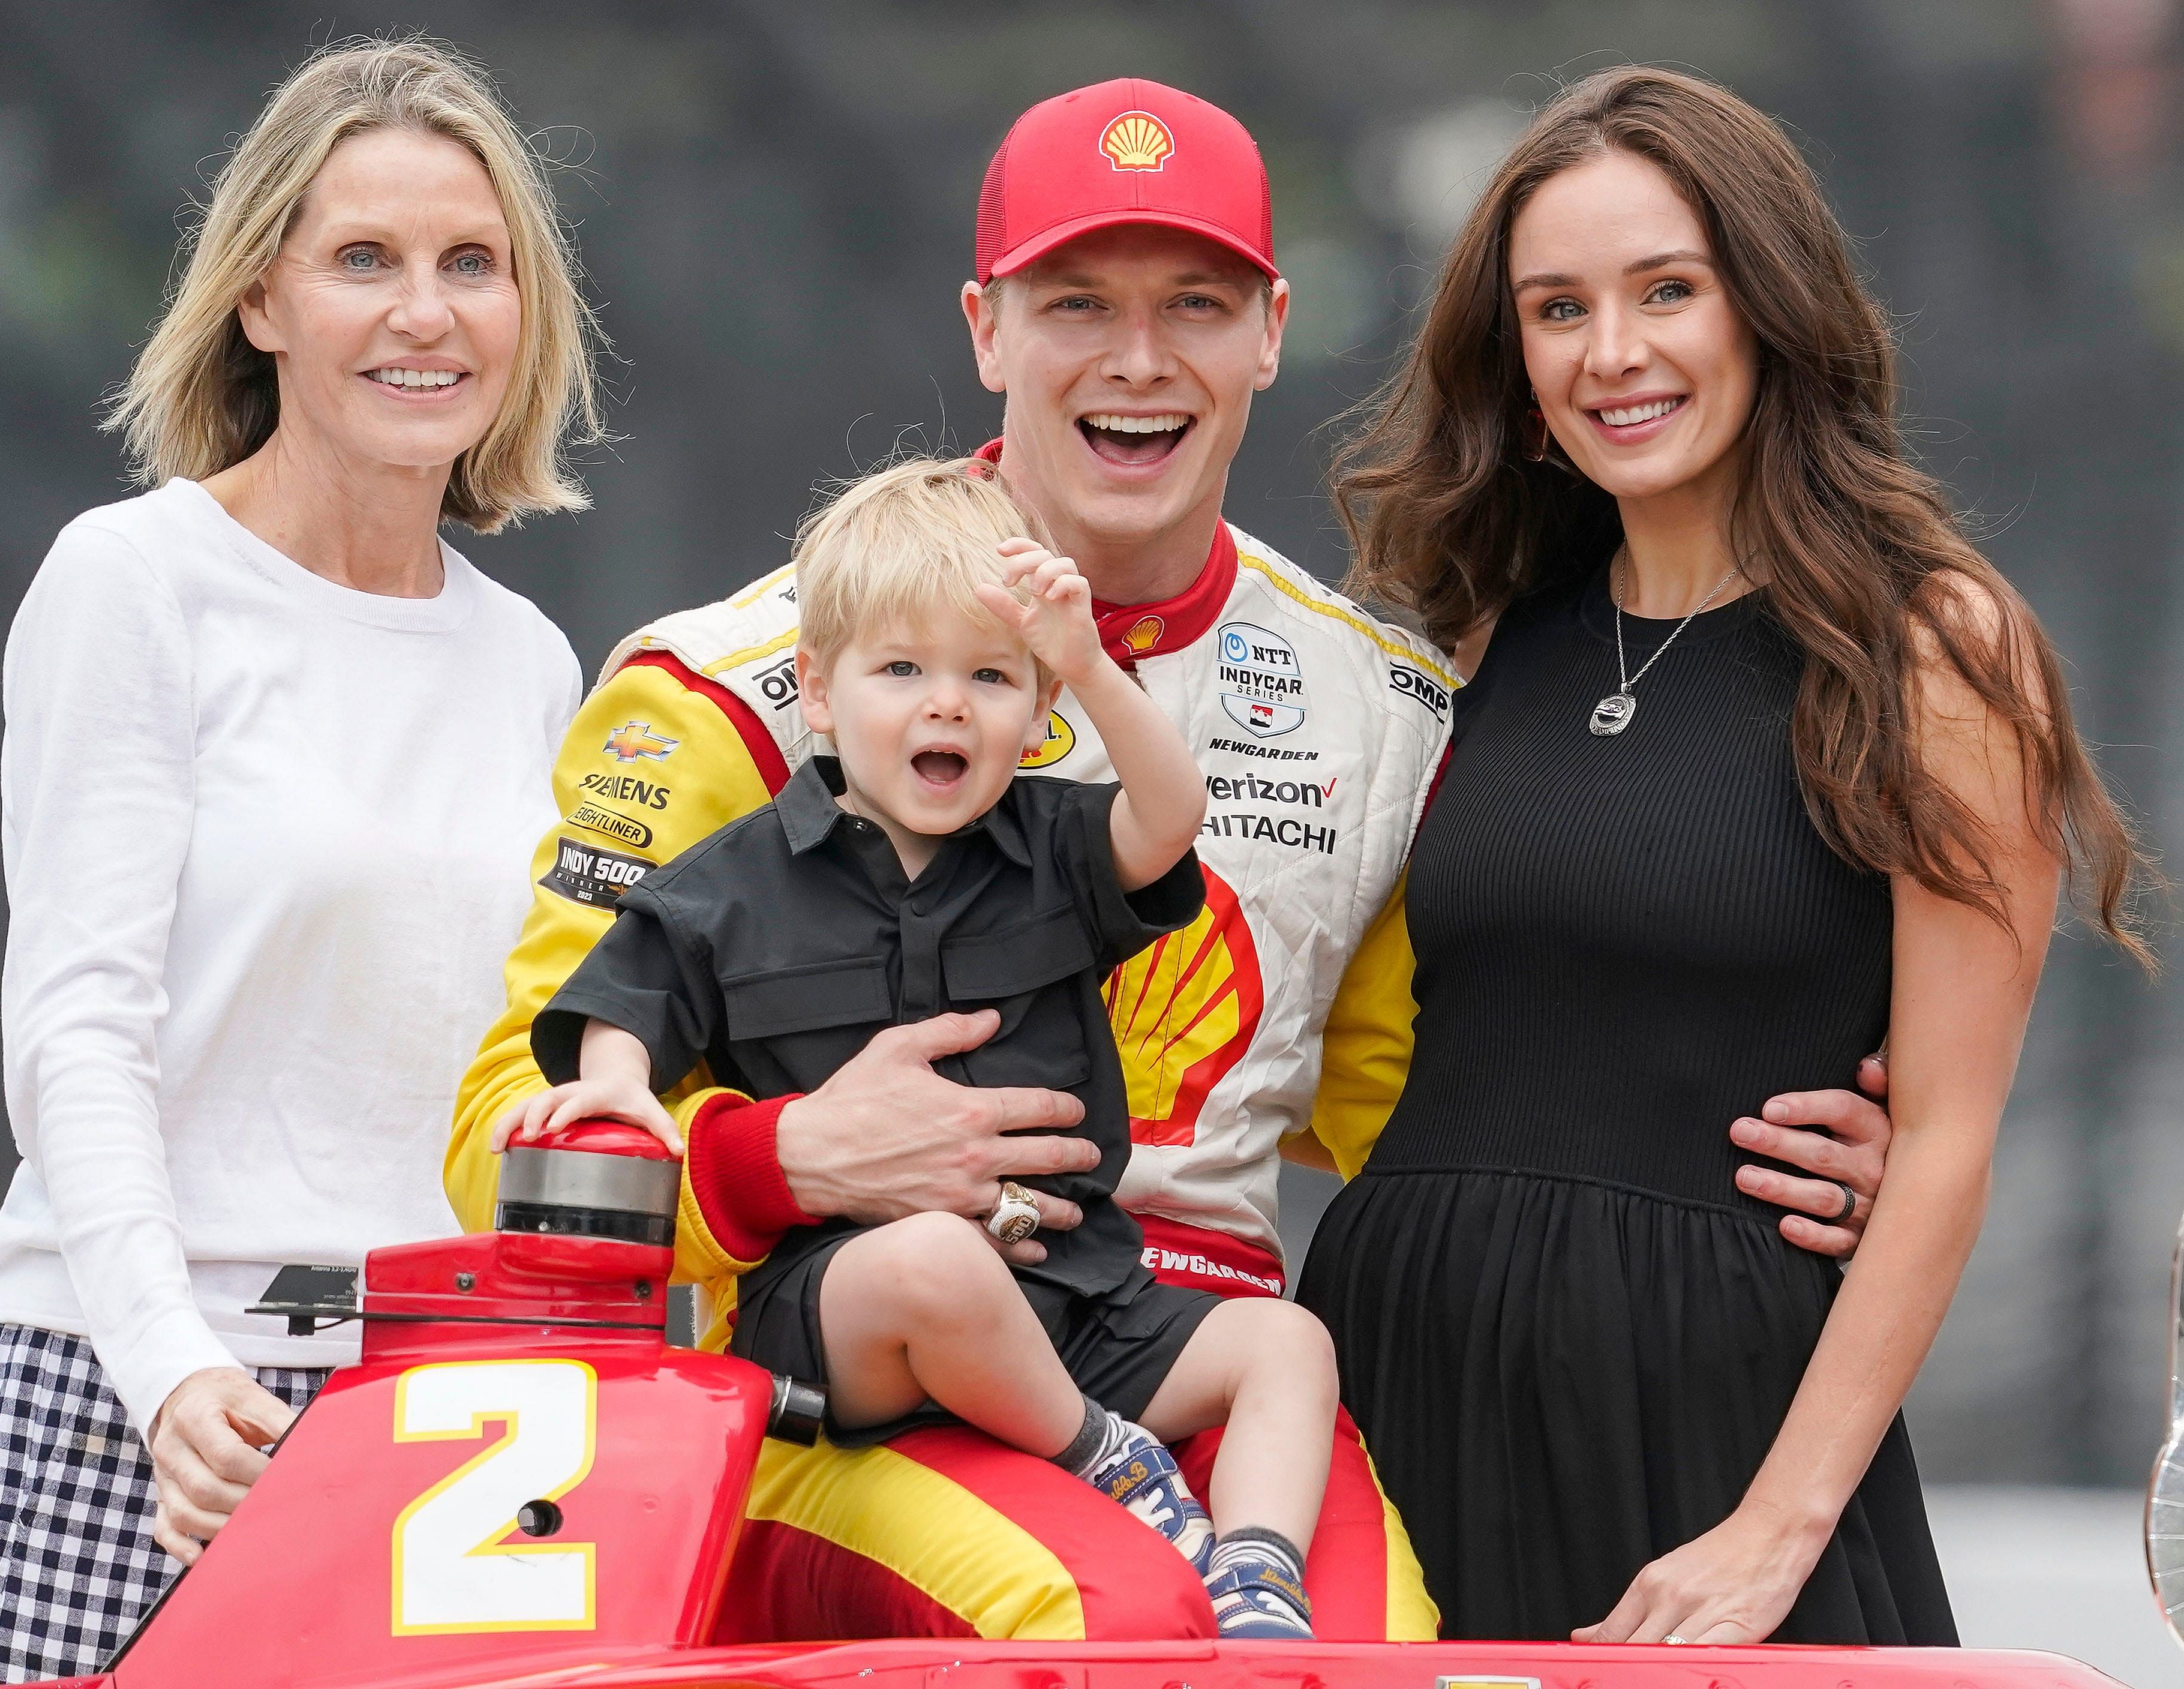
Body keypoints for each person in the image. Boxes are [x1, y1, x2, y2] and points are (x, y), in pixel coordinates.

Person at [444, 78, 1891, 1643]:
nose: (1139, 362)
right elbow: (493, 1155)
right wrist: (787, 1157)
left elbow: (1422, 1103)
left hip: (1192, 1348)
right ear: (986, 329)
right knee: (1114, 1622)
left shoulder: (1381, 705)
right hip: (843, 1381)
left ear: (1269, 331)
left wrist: (1754, 1149)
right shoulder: (727, 686)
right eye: (1077, 304)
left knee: (1383, 1666)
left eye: (1193, 305)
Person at [1299, 66, 2154, 1646]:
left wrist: (1776, 1525)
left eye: (1664, 291)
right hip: (1393, 1376)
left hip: (1712, 1429)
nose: (1609, 352)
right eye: (1555, 310)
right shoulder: (1482, 630)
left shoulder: (1937, 648)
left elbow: (1947, 1143)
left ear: (1765, 303)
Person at [0, 38, 603, 1687]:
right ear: (261, 301)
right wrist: (164, 1373)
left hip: (439, 1427)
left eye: (471, 264)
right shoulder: (135, 583)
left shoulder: (534, 667)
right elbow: (75, 1028)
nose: (424, 312)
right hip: (123, 1398)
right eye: (362, 259)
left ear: (526, 316)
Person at [505, 459, 1339, 1639]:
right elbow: (631, 989)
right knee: (934, 1261)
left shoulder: (1054, 845)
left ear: (1037, 708)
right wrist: (614, 1084)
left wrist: (1090, 659)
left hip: (1074, 1296)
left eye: (991, 676)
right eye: (900, 669)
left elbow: (1168, 817)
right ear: (821, 693)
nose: (947, 704)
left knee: (1286, 1343)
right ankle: (1117, 1466)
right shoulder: (736, 881)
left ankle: (1258, 1578)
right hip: (855, 1317)